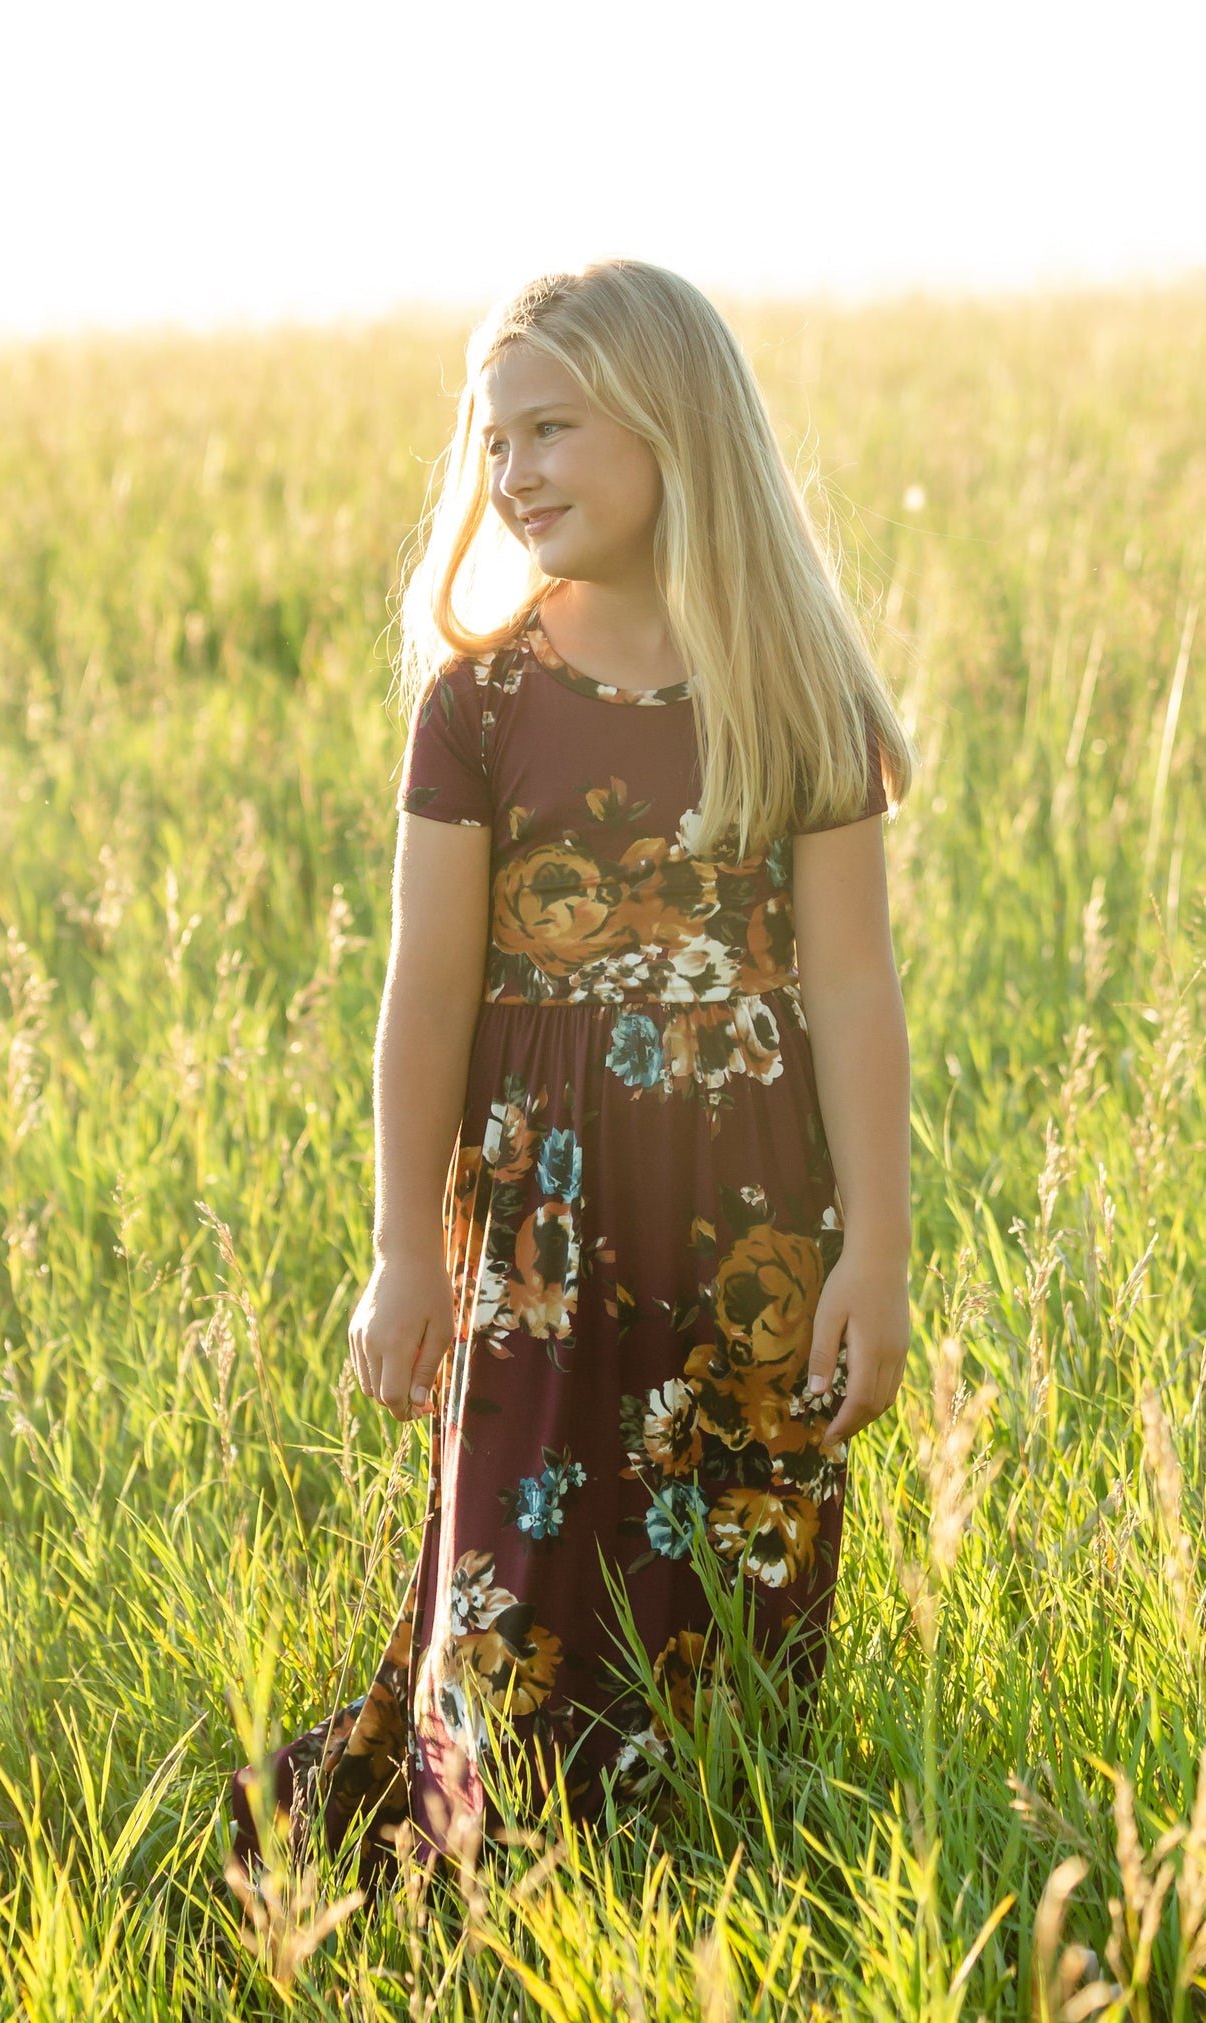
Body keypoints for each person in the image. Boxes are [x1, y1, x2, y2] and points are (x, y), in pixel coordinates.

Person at [229, 258, 916, 1906]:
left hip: (753, 1208)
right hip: (538, 1218)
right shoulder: (483, 707)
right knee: (517, 1567)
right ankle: (495, 1877)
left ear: (672, 428)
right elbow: (429, 993)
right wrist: (405, 1248)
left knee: (739, 1552)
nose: (511, 471)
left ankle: (715, 1872)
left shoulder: (791, 694)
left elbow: (850, 984)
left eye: (549, 426)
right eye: (491, 442)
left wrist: (875, 1257)